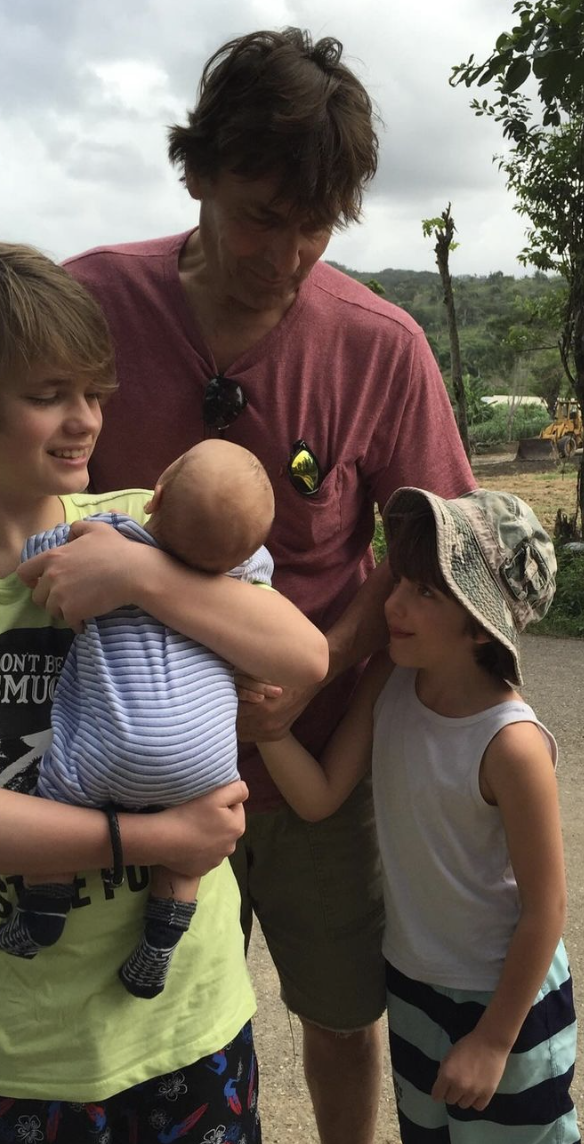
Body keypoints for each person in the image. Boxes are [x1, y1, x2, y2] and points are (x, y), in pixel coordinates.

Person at [65, 27, 476, 1144]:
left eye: (316, 226)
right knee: (135, 1024)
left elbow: (427, 538)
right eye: (260, 215)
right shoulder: (91, 306)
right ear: (194, 170)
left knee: (341, 1019)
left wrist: (328, 662)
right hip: (126, 756)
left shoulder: (378, 348)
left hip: (311, 770)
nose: (288, 254)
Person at [0, 242, 328, 1141]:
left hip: (189, 1029)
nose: (85, 421)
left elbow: (302, 654)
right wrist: (157, 839)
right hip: (23, 1055)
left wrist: (143, 581)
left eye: (95, 394)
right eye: (47, 396)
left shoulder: (146, 520)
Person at [259, 487, 580, 1143]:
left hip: (503, 1001)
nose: (392, 605)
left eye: (426, 592)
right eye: (397, 581)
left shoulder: (512, 746)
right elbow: (320, 796)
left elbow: (546, 909)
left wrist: (493, 1040)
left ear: (482, 619)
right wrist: (266, 728)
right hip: (410, 986)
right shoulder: (391, 681)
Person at [0, 438, 276, 1002]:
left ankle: (42, 907)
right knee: (187, 853)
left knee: (55, 794)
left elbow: (37, 568)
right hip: (205, 767)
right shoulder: (244, 572)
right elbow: (290, 650)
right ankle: (159, 944)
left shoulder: (112, 533)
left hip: (110, 754)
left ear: (158, 494)